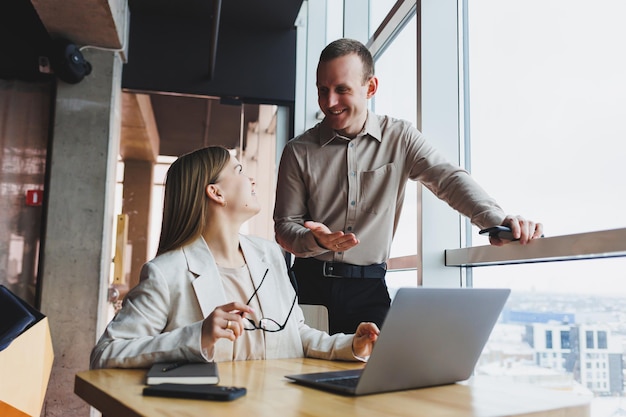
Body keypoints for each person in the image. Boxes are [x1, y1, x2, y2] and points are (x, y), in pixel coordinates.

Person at [273, 38, 544, 335]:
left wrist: (497, 220)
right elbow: (285, 226)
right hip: (308, 287)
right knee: (302, 375)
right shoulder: (298, 151)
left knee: (377, 378)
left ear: (371, 88)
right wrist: (317, 241)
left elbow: (448, 179)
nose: (329, 102)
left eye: (342, 90)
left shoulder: (400, 137)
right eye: (322, 90)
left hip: (369, 291)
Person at [90, 146, 379, 369]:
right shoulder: (166, 273)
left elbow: (296, 334)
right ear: (215, 192)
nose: (250, 177)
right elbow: (106, 353)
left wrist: (351, 345)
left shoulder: (269, 255)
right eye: (239, 170)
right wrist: (197, 336)